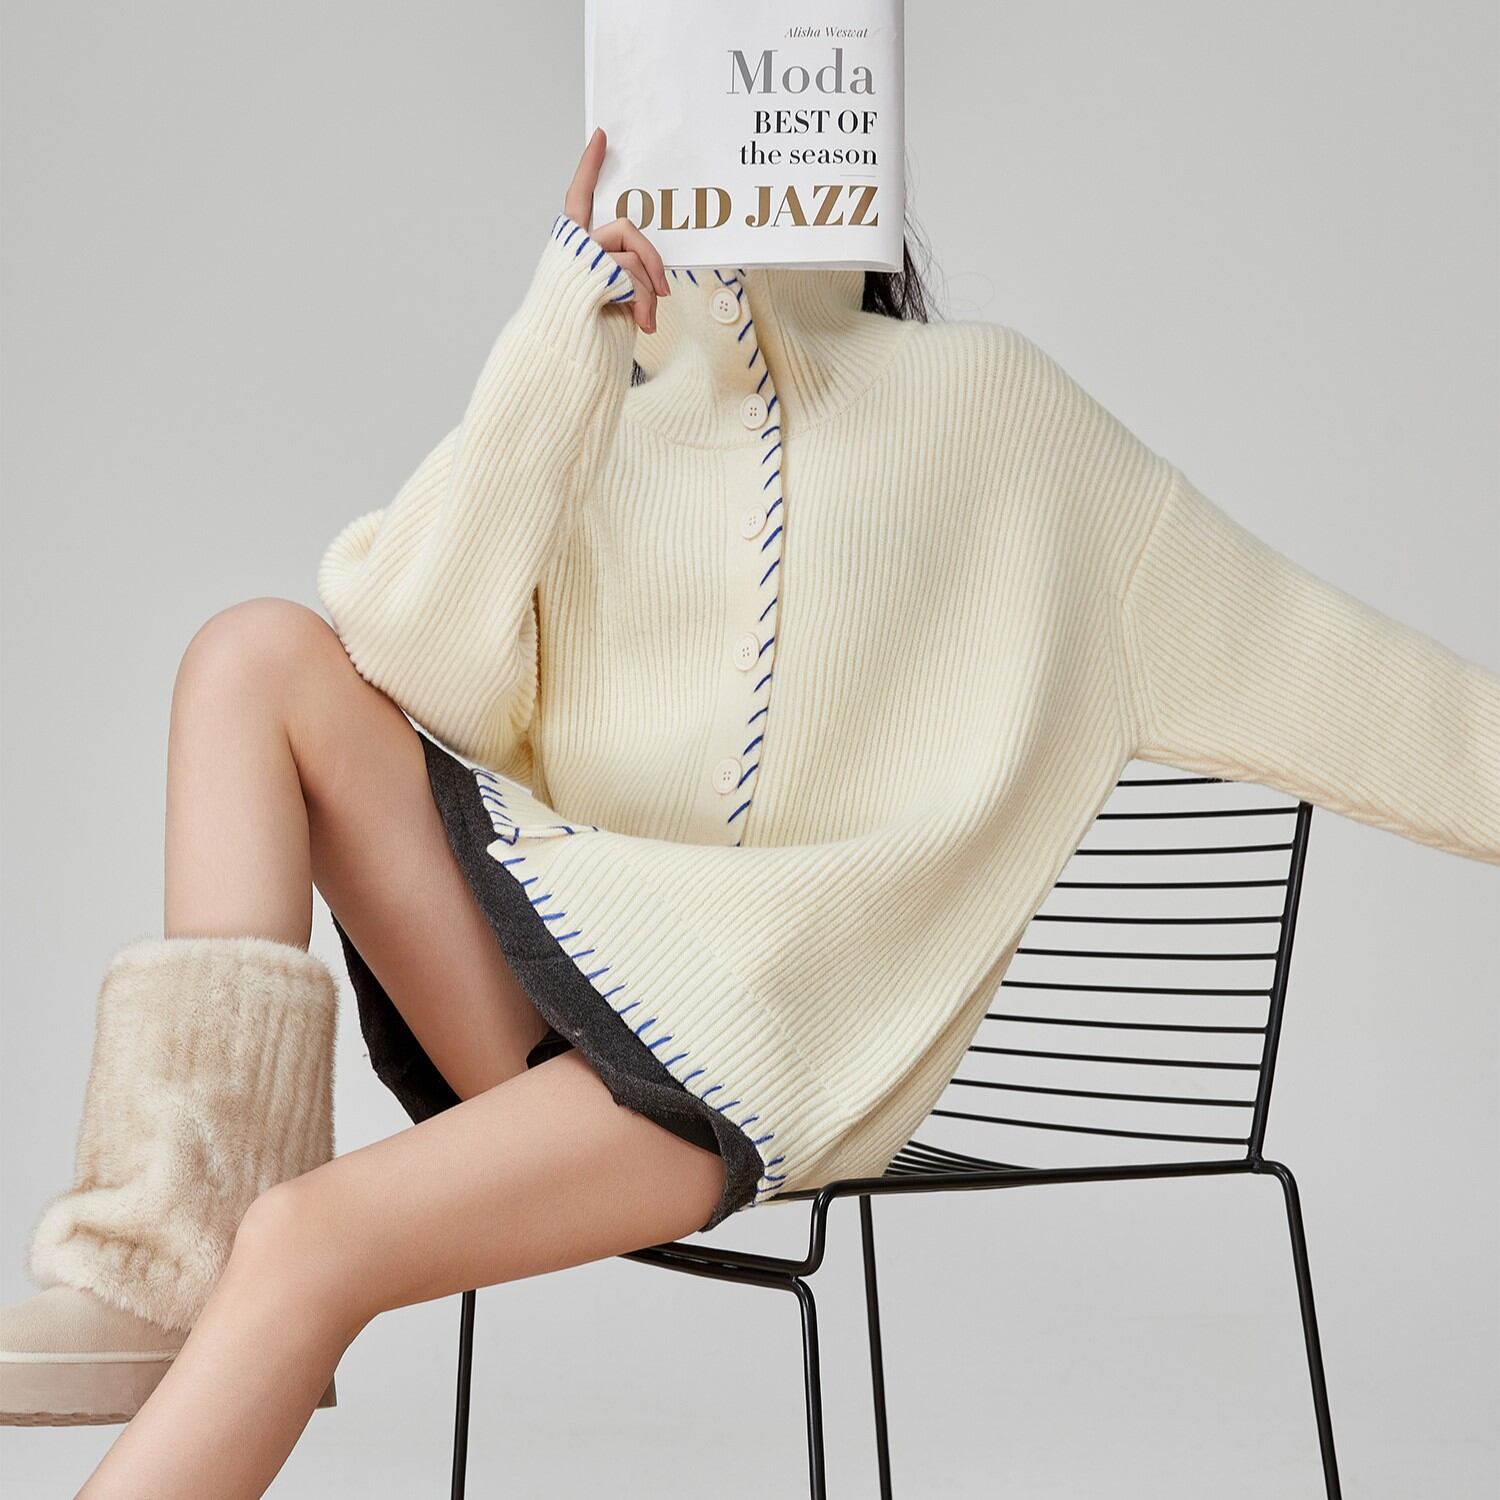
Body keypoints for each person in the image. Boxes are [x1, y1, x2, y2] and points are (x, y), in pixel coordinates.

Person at [2, 119, 1497, 1497]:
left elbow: (1335, 669)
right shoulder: (598, 403)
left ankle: (228, 1284)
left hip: (747, 1071)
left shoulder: (1003, 418)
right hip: (544, 990)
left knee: (306, 1239)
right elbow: (410, 657)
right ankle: (169, 1256)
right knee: (253, 654)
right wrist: (563, 332)